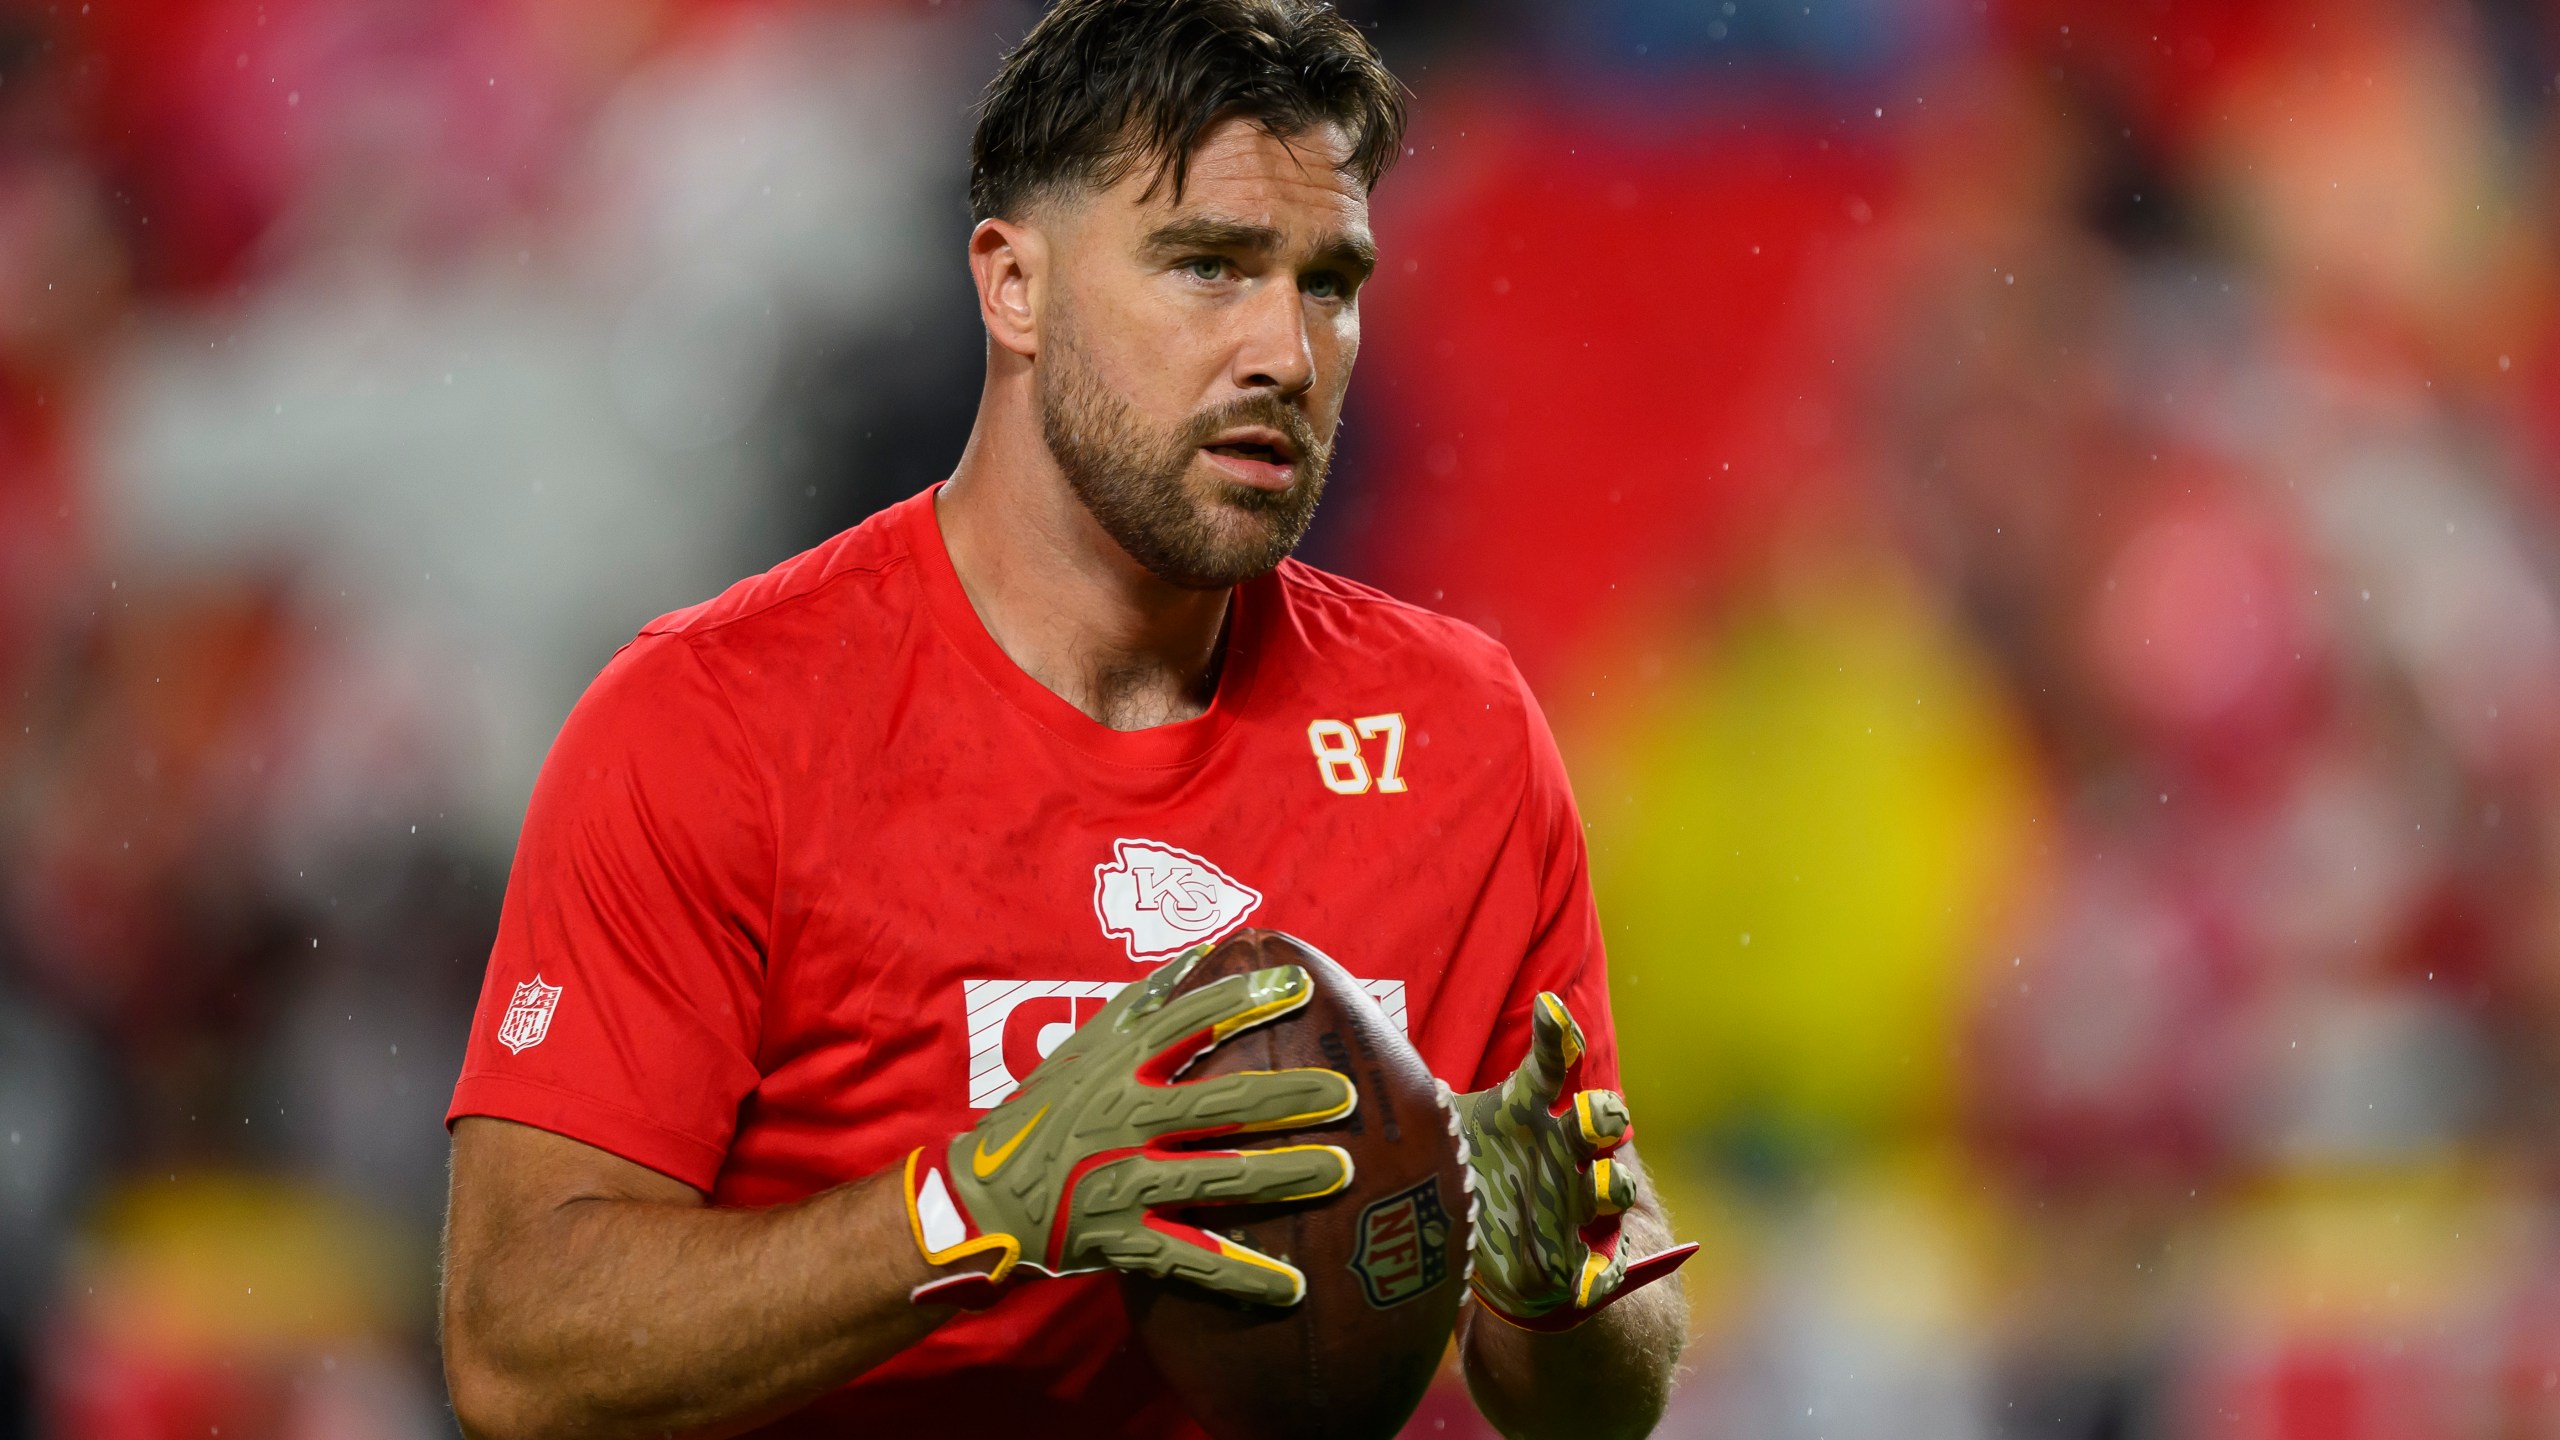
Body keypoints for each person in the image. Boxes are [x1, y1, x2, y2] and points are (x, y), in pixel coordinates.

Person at [436, 2, 1693, 1435]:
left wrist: (1568, 1292)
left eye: (1328, 282)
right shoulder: (712, 726)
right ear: (1013, 285)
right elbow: (517, 1351)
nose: (1285, 348)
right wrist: (978, 1206)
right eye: (1208, 266)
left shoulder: (1456, 733)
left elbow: (1592, 1388)